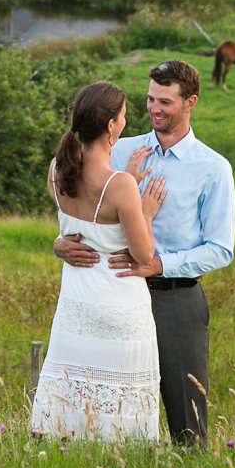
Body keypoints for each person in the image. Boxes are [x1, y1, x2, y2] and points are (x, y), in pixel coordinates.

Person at [54, 59, 234, 446]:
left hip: (176, 301)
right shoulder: (118, 150)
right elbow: (80, 205)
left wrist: (159, 264)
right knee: (112, 410)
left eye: (165, 102)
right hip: (115, 298)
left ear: (191, 102)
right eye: (150, 99)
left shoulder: (214, 169)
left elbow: (221, 250)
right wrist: (60, 241)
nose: (154, 108)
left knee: (187, 420)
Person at [29, 80, 168, 440]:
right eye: (123, 116)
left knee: (71, 400)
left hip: (76, 308)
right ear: (110, 126)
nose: (125, 122)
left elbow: (79, 227)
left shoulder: (56, 170)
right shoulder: (121, 185)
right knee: (119, 411)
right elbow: (142, 255)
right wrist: (145, 211)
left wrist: (59, 244)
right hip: (119, 309)